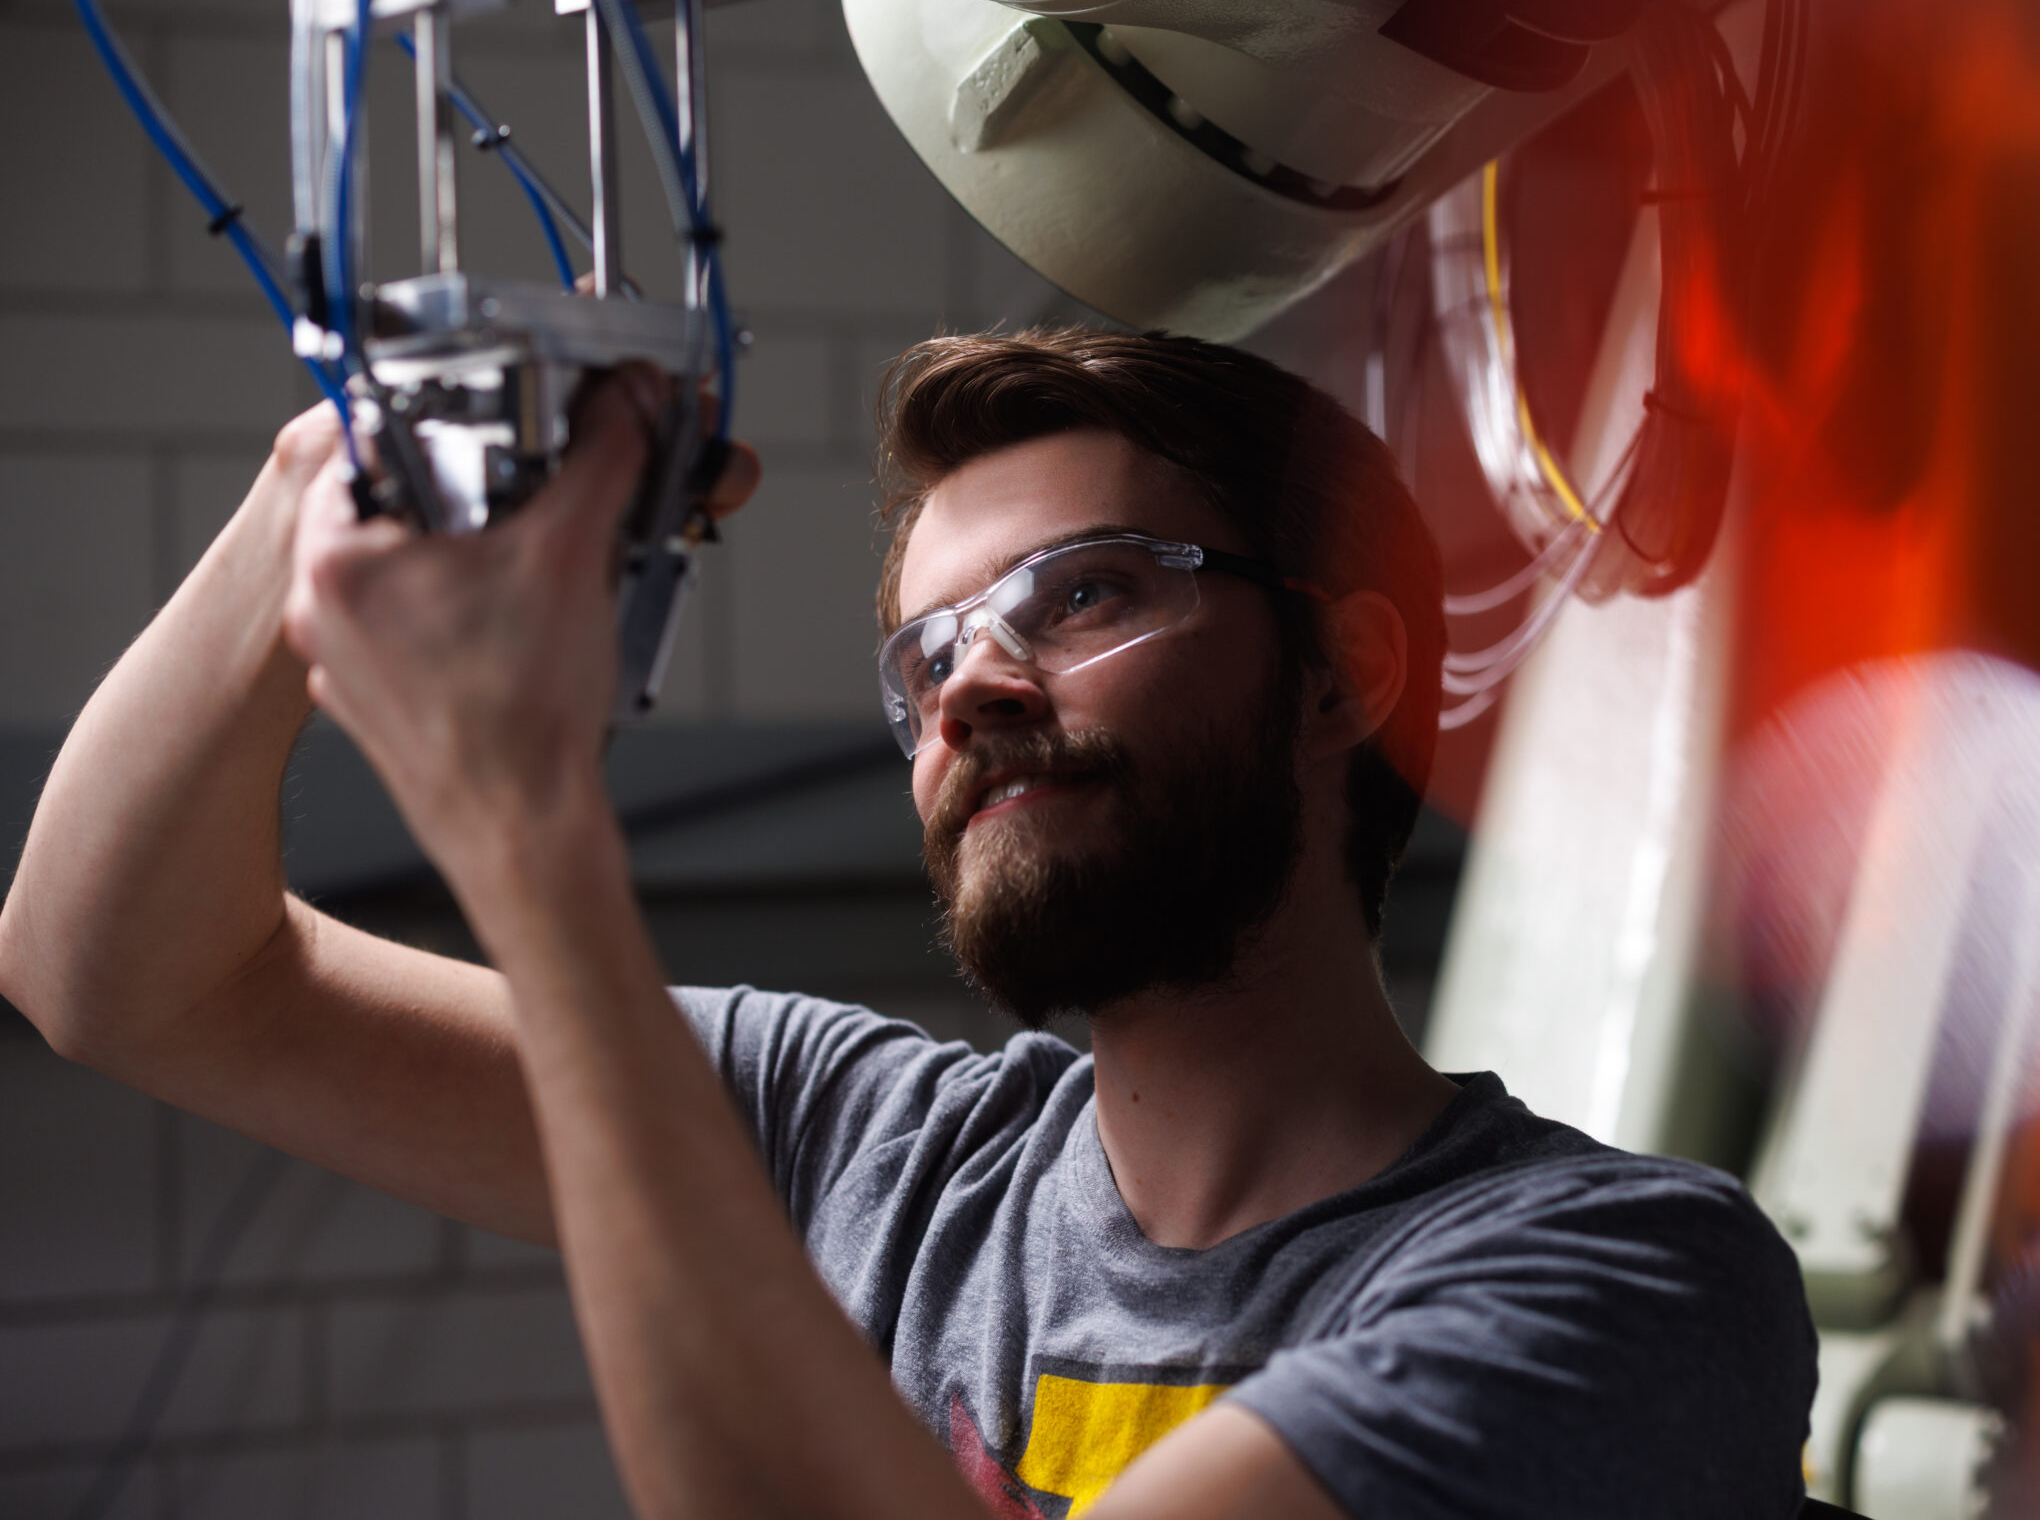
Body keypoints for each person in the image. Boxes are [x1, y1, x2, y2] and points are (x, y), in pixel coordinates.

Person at [0, 328, 1816, 1519]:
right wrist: (322, 486)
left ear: (1346, 672)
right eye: (929, 654)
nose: (973, 691)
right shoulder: (867, 1145)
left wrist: (526, 823)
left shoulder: (1617, 1286)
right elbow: (126, 972)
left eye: (1082, 595)